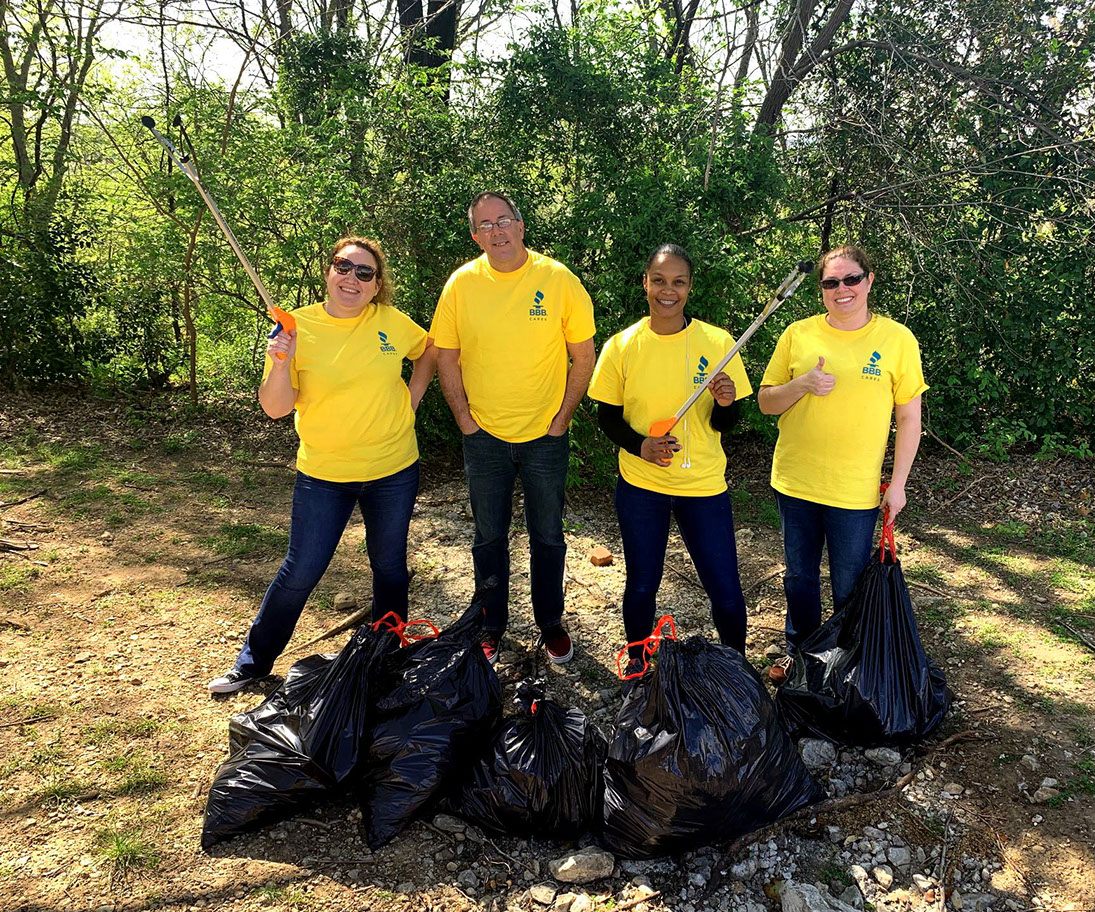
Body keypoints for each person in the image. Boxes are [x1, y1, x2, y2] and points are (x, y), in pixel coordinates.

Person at [208, 236, 434, 694]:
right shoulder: (296, 327)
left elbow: (428, 352)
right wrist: (278, 363)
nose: (352, 278)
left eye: (364, 272)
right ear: (329, 272)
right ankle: (253, 663)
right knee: (302, 569)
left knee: (388, 564)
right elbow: (275, 408)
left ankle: (388, 652)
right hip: (324, 475)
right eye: (343, 267)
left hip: (393, 468)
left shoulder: (390, 322)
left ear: (376, 286)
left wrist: (411, 401)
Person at [432, 191, 596, 665]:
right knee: (488, 535)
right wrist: (464, 419)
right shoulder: (461, 284)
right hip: (484, 436)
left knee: (548, 534)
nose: (496, 231)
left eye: (503, 221)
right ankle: (490, 622)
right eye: (484, 225)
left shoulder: (557, 279)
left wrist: (562, 418)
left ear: (521, 226)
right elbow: (447, 355)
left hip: (545, 435)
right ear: (474, 235)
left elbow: (583, 355)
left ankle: (550, 623)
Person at [758, 244, 926, 651]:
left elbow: (909, 419)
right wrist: (802, 385)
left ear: (869, 281)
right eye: (831, 282)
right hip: (795, 482)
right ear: (821, 289)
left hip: (854, 490)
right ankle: (803, 654)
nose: (841, 288)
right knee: (800, 576)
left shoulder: (896, 339)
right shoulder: (798, 334)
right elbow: (765, 403)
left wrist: (898, 484)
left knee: (849, 582)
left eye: (851, 278)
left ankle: (847, 663)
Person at [588, 243, 752, 656]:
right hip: (642, 485)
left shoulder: (717, 343)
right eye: (659, 280)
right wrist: (640, 445)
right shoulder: (622, 345)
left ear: (690, 287)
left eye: (678, 282)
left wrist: (727, 403)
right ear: (645, 283)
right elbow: (605, 415)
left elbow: (725, 426)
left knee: (726, 590)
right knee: (642, 584)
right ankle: (639, 658)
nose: (668, 290)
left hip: (703, 486)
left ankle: (735, 664)